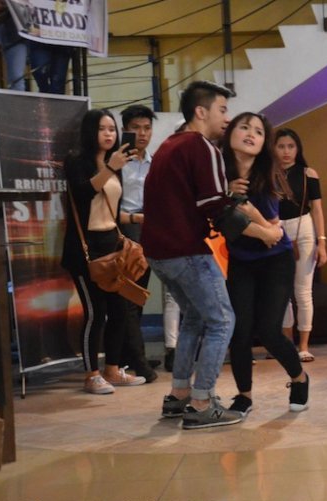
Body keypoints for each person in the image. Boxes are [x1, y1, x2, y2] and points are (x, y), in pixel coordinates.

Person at [142, 81, 282, 430]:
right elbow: (217, 210)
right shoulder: (201, 146)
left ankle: (178, 395)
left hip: (159, 253)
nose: (227, 118)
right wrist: (266, 233)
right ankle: (202, 403)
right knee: (222, 321)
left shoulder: (169, 145)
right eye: (222, 110)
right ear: (201, 112)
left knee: (194, 318)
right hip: (186, 250)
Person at [222, 112, 310, 416]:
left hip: (276, 260)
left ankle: (299, 378)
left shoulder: (267, 175)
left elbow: (273, 233)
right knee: (240, 332)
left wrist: (245, 208)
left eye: (258, 131)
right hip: (240, 260)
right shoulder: (218, 173)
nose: (251, 134)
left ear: (263, 144)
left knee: (269, 331)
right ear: (230, 134)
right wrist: (228, 195)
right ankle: (244, 396)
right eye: (244, 127)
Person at [61, 109, 146, 394]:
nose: (109, 134)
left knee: (120, 311)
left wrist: (137, 218)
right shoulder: (76, 160)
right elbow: (83, 194)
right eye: (102, 129)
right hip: (85, 247)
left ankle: (113, 369)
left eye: (112, 129)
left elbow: (111, 210)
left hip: (112, 243)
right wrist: (110, 168)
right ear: (90, 131)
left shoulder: (115, 163)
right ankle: (92, 375)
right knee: (95, 313)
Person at [275, 128, 327, 362]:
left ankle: (304, 346)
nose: (286, 151)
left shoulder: (308, 174)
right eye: (281, 146)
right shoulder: (267, 175)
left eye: (291, 146)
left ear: (298, 149)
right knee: (281, 291)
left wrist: (322, 242)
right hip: (275, 230)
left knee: (303, 290)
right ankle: (287, 344)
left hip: (303, 228)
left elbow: (317, 210)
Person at [116, 104, 158, 383]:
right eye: (136, 128)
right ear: (125, 130)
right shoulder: (118, 163)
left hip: (151, 229)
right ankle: (139, 362)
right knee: (128, 298)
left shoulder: (155, 162)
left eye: (146, 128)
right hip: (126, 229)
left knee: (139, 295)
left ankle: (129, 355)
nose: (142, 133)